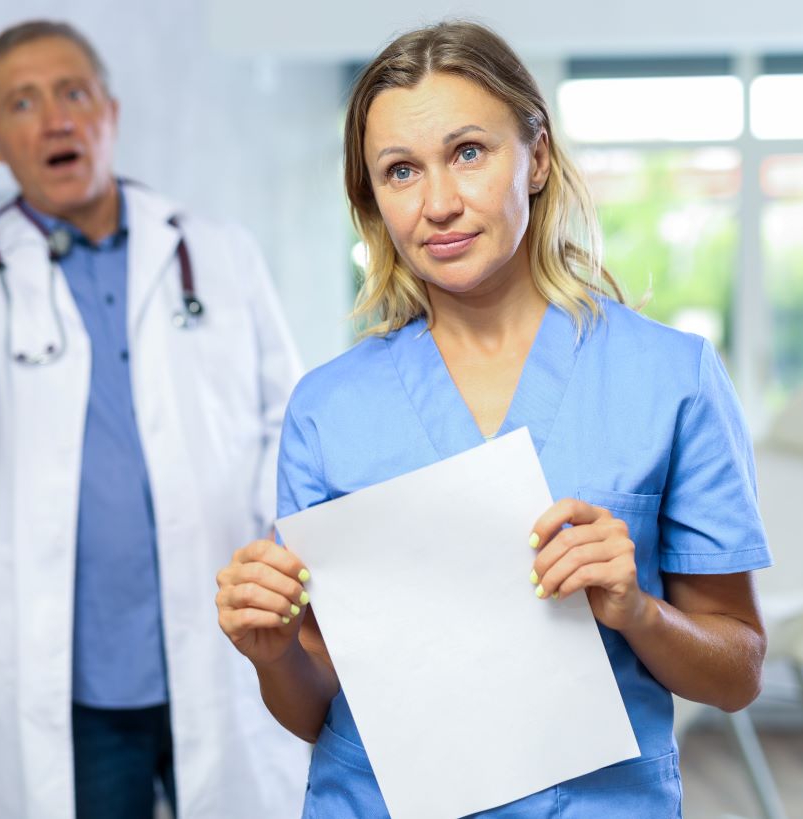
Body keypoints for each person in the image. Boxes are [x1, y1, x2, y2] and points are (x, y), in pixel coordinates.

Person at [215, 20, 771, 818]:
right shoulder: (328, 408)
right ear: (372, 198)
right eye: (401, 171)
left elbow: (739, 671)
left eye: (469, 152)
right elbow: (312, 703)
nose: (439, 203)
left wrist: (635, 611)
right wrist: (271, 655)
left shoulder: (669, 379)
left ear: (536, 157)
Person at [0, 19, 309, 819]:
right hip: (78, 680)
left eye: (73, 93)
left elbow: (285, 417)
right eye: (23, 102)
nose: (55, 118)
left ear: (110, 112)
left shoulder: (216, 250)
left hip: (223, 647)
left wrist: (273, 535)